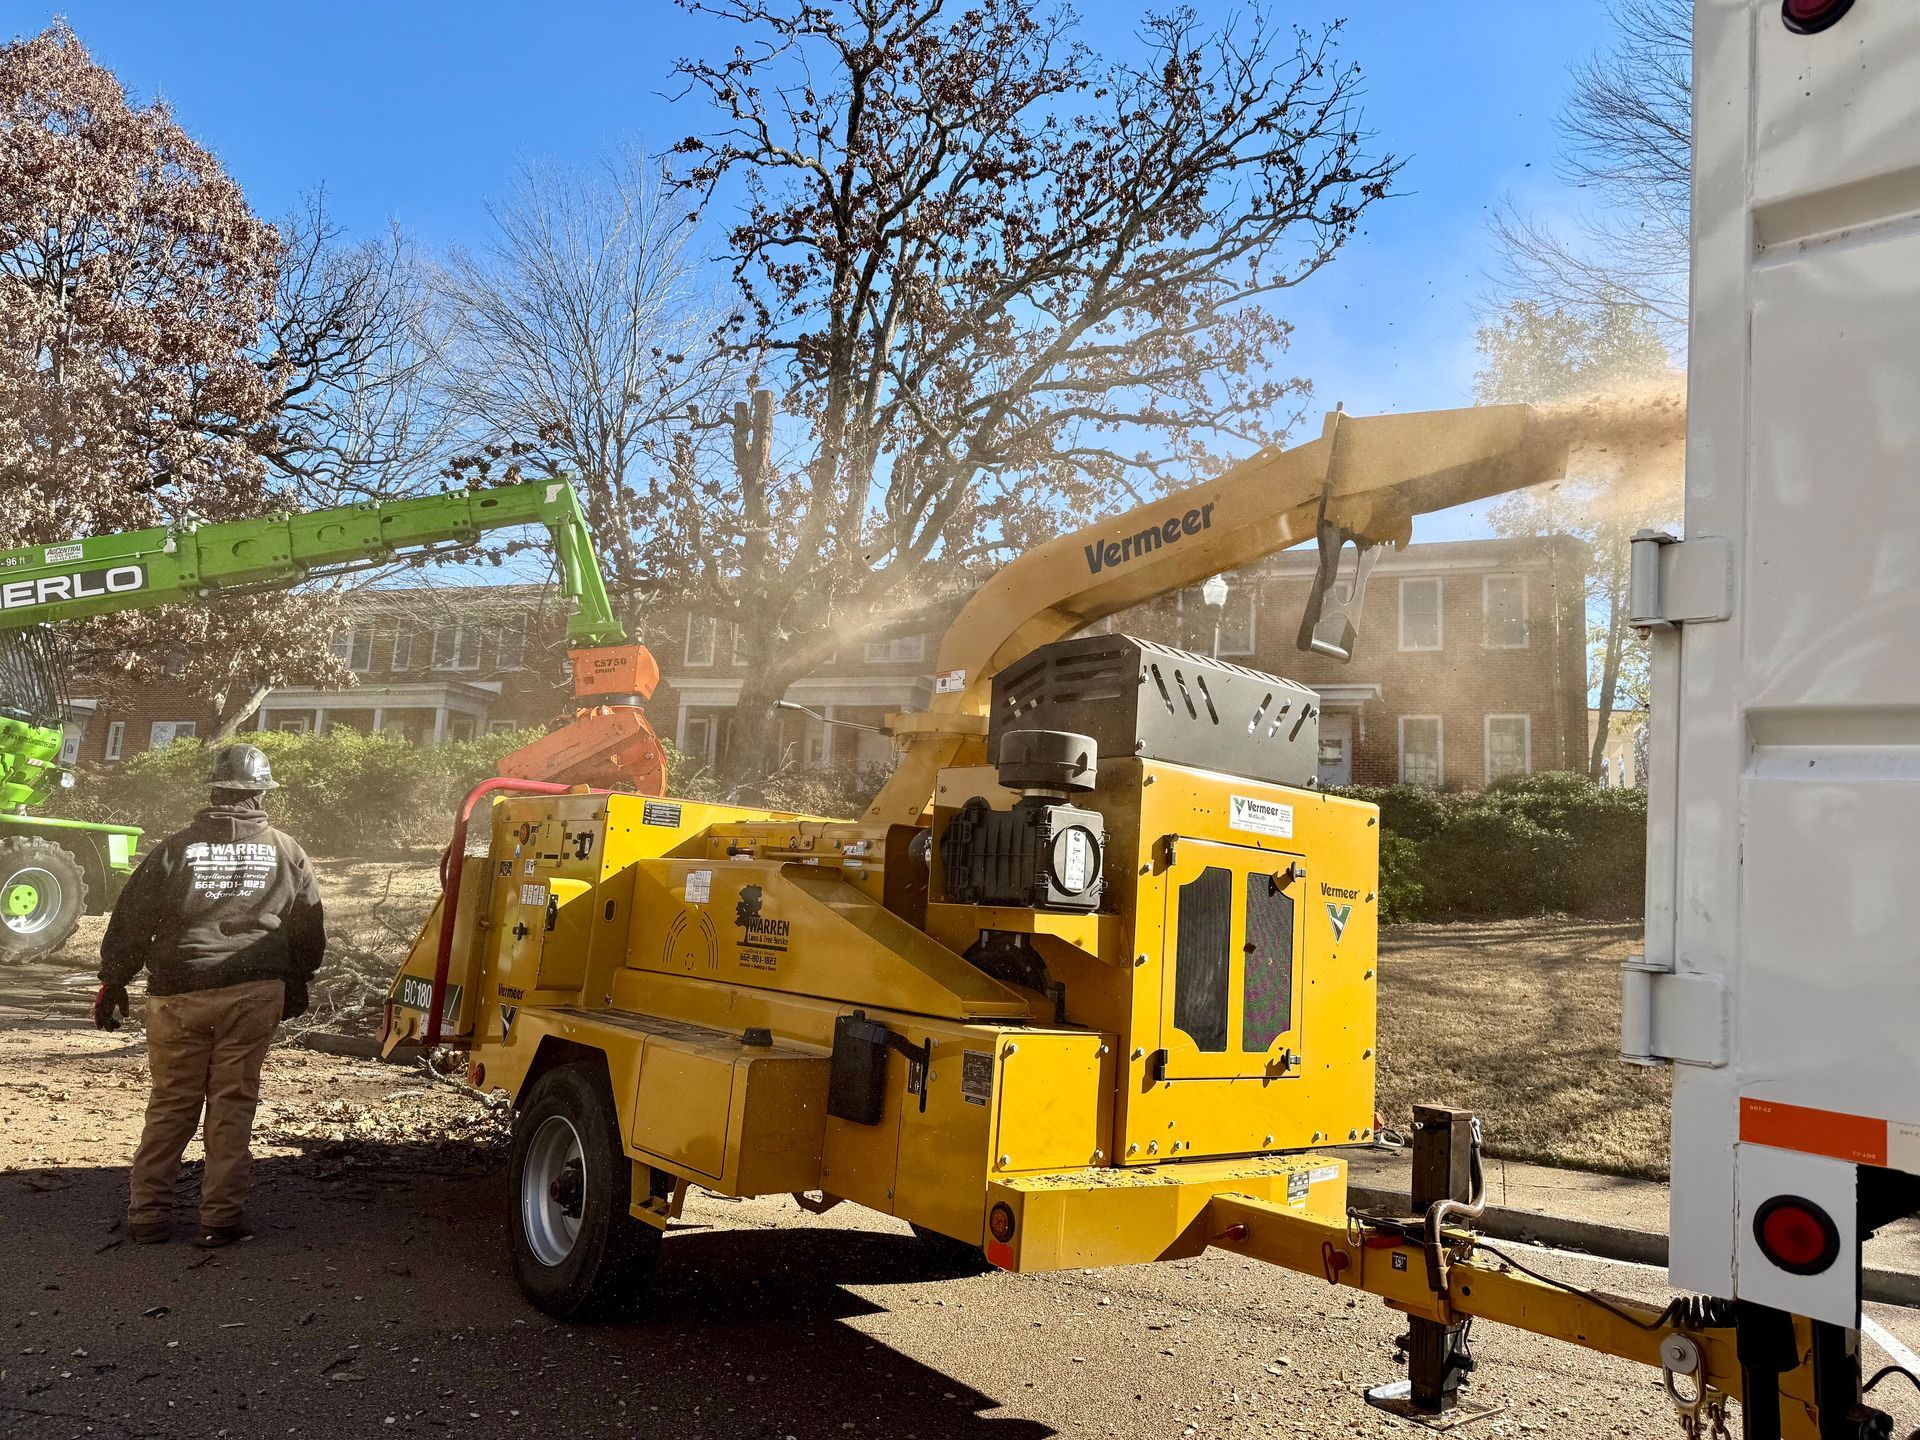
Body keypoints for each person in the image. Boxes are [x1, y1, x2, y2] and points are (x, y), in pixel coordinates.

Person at [94, 743, 326, 1247]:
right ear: (262, 792)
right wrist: (298, 979)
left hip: (180, 992)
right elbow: (308, 927)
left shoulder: (176, 848)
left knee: (172, 1103)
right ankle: (220, 1218)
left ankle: (148, 1215)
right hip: (254, 992)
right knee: (233, 1101)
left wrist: (114, 980)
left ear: (215, 789)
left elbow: (132, 919)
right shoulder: (288, 850)